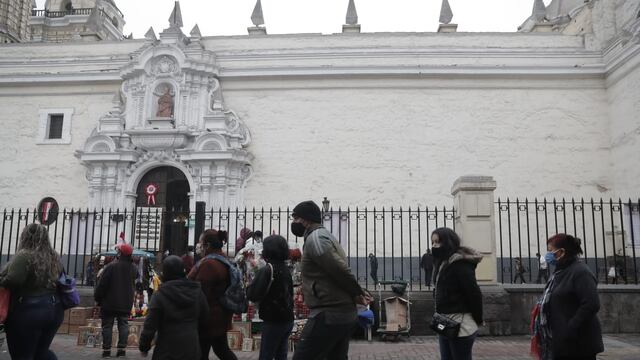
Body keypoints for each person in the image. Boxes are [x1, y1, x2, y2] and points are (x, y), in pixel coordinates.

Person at [289, 200, 372, 360]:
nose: (294, 223)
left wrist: (357, 292)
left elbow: (338, 269)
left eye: (295, 218)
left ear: (305, 219)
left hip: (329, 314)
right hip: (339, 312)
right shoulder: (322, 236)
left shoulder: (316, 239)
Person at [0, 223, 64, 359]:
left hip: (28, 311)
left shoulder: (24, 255)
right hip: (53, 310)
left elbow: (14, 280)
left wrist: (2, 279)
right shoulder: (54, 256)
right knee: (41, 352)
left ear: (25, 236)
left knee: (22, 354)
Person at [537, 234, 603, 360]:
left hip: (578, 343)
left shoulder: (580, 272)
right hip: (561, 341)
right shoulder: (560, 271)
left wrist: (570, 327)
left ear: (562, 252)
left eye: (550, 251)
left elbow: (591, 304)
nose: (548, 255)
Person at [139, 255, 209, 359]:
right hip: (191, 348)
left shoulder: (160, 295)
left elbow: (150, 324)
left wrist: (144, 346)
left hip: (166, 349)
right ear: (183, 271)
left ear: (164, 274)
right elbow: (205, 318)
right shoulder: (196, 292)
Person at [431, 227, 483, 360]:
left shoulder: (460, 264)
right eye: (433, 243)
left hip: (461, 326)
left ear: (448, 242)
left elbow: (474, 294)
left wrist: (477, 319)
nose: (434, 246)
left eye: (438, 242)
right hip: (445, 323)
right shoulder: (443, 262)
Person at [188, 229, 238, 360]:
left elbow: (201, 293)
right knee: (221, 349)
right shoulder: (221, 258)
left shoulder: (209, 264)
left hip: (209, 317)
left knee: (202, 353)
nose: (198, 246)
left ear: (207, 245)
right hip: (219, 314)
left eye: (200, 243)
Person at [247, 235, 294, 360]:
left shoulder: (267, 270)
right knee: (281, 354)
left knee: (266, 354)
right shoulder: (285, 269)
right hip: (287, 318)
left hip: (273, 319)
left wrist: (252, 279)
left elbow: (252, 294)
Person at [95, 242, 138, 358]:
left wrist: (97, 298)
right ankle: (121, 350)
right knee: (123, 324)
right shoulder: (133, 268)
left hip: (109, 302)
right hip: (125, 302)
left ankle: (106, 351)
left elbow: (102, 285)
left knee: (107, 326)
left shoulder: (111, 266)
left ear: (120, 253)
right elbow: (136, 279)